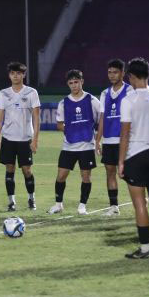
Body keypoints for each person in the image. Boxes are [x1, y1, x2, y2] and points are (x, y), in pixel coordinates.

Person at [118, 58, 149, 259]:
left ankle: (145, 249)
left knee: (140, 203)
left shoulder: (128, 100)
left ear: (131, 76)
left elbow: (125, 134)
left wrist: (121, 161)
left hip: (136, 155)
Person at [49, 69, 101, 215]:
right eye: (71, 83)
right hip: (68, 146)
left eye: (76, 82)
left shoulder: (92, 100)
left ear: (82, 82)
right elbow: (59, 124)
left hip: (86, 146)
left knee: (86, 176)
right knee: (61, 176)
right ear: (68, 84)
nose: (74, 85)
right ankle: (58, 204)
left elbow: (100, 120)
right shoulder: (63, 103)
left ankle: (82, 206)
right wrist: (69, 127)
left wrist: (97, 140)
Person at [0, 62, 41, 211]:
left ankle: (31, 199)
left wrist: (35, 140)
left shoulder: (31, 92)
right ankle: (11, 202)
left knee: (27, 170)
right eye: (13, 73)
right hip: (8, 139)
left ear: (23, 75)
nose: (16, 76)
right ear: (9, 75)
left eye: (19, 73)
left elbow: (36, 117)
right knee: (9, 169)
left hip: (25, 139)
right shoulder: (4, 93)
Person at [95, 59, 133, 216]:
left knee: (127, 173)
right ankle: (114, 206)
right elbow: (103, 117)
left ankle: (141, 194)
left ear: (123, 73)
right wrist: (98, 140)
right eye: (109, 72)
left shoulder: (130, 90)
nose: (112, 75)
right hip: (109, 140)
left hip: (125, 140)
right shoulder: (104, 93)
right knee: (110, 172)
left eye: (115, 72)